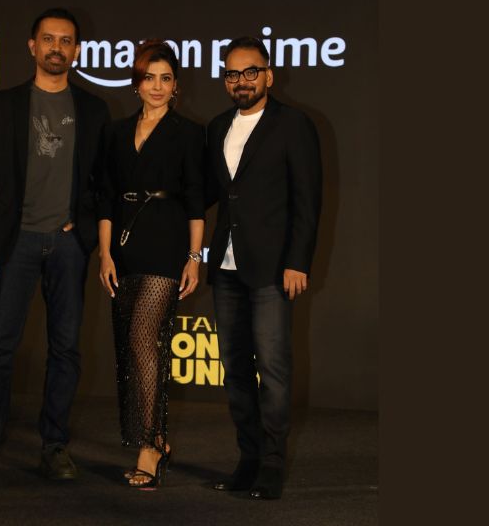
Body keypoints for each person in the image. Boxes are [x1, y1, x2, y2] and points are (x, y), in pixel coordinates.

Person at [0, 8, 111, 481]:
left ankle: (54, 445)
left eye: (65, 41)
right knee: (1, 346)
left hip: (68, 245)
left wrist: (89, 238)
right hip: (14, 243)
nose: (56, 48)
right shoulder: (3, 106)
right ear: (32, 46)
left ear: (77, 50)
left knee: (65, 350)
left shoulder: (94, 110)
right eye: (48, 39)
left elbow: (104, 184)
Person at [205, 36, 322, 500]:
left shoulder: (293, 125)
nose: (242, 81)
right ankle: (248, 459)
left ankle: (272, 465)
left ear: (268, 75)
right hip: (226, 267)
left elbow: (308, 200)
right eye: (233, 74)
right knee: (235, 371)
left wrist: (297, 262)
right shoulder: (217, 127)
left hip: (274, 269)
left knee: (272, 369)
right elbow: (212, 194)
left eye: (250, 72)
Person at [97, 39, 205, 488]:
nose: (157, 86)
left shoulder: (189, 133)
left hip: (167, 244)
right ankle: (154, 435)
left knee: (143, 337)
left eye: (166, 79)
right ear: (136, 83)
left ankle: (150, 446)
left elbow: (196, 201)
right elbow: (105, 197)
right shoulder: (115, 132)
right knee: (130, 345)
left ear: (176, 85)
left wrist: (194, 257)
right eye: (149, 78)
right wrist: (104, 253)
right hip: (124, 247)